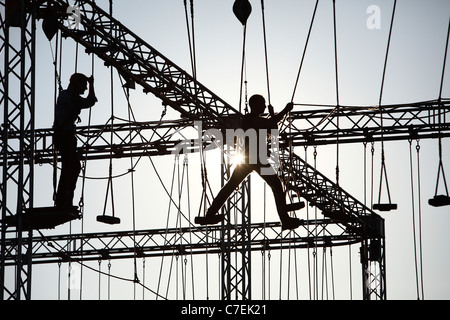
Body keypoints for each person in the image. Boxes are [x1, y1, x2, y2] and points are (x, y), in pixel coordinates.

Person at [195, 94, 302, 230]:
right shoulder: (250, 119)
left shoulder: (253, 120)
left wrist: (273, 115)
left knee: (231, 186)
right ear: (256, 105)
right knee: (275, 183)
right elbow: (269, 124)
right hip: (255, 159)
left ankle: (210, 214)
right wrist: (284, 110)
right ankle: (284, 217)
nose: (264, 106)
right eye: (262, 104)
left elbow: (273, 129)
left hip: (248, 159)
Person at [53, 73, 97, 208]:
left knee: (73, 167)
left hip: (67, 137)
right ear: (76, 84)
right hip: (63, 136)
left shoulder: (73, 98)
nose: (84, 89)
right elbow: (77, 102)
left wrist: (91, 85)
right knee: (69, 166)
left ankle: (65, 199)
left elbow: (91, 101)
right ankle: (62, 200)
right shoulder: (64, 95)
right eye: (83, 86)